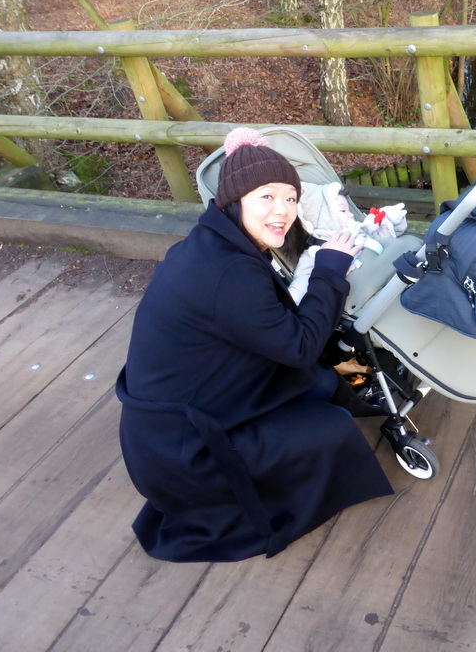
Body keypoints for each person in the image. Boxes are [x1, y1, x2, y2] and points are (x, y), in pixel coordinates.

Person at [116, 129, 393, 563]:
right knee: (329, 427)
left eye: (290, 198)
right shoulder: (230, 274)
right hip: (189, 453)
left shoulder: (211, 246)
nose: (282, 211)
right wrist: (329, 271)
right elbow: (300, 345)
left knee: (317, 384)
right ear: (235, 200)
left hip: (164, 429)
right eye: (266, 197)